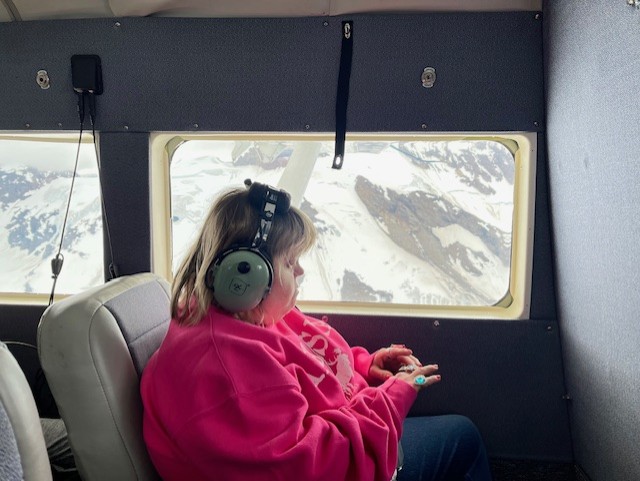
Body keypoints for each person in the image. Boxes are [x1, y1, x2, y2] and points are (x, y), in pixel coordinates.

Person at [140, 180, 492, 481]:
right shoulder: (225, 371)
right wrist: (392, 397)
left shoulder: (252, 314)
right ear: (245, 274)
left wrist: (364, 366)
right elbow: (309, 467)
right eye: (291, 262)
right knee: (464, 437)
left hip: (349, 426)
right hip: (337, 460)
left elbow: (308, 358)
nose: (302, 272)